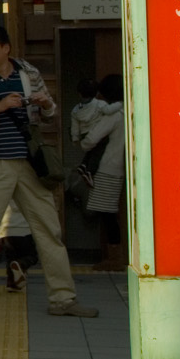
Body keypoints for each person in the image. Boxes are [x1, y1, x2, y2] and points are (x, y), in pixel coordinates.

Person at [0, 25, 98, 320]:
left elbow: (48, 114)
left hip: (30, 164)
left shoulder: (28, 72)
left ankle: (63, 299)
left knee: (49, 230)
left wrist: (46, 106)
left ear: (6, 48)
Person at [80, 73, 126, 271]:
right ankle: (116, 256)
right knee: (110, 212)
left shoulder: (114, 115)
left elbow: (92, 139)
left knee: (107, 214)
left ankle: (114, 257)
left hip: (108, 167)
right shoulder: (130, 110)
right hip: (123, 166)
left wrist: (82, 142)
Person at [69, 78, 109, 145]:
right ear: (96, 93)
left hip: (85, 138)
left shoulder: (75, 110)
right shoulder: (101, 105)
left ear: (79, 94)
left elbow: (74, 129)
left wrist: (75, 139)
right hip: (101, 136)